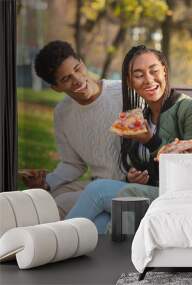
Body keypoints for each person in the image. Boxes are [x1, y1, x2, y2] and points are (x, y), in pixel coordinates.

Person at [66, 45, 192, 233]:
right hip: (146, 194)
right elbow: (148, 170)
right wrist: (133, 177)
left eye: (154, 71)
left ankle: (54, 240)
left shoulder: (191, 109)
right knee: (97, 224)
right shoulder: (141, 116)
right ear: (130, 82)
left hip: (180, 199)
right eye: (139, 75)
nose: (149, 80)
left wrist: (150, 141)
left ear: (165, 72)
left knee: (97, 190)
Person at [23, 40, 124, 218]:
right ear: (56, 88)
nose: (77, 80)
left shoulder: (122, 92)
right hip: (96, 182)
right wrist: (46, 184)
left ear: (82, 62)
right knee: (37, 200)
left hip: (126, 184)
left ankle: (51, 242)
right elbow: (73, 164)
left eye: (77, 69)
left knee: (58, 205)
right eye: (66, 79)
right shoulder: (62, 113)